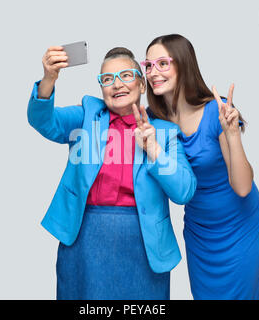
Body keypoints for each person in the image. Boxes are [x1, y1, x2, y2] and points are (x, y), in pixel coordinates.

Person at [27, 45, 197, 300]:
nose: (117, 85)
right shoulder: (86, 115)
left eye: (126, 76)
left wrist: (153, 149)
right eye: (107, 79)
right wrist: (49, 79)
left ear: (142, 85)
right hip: (84, 243)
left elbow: (184, 191)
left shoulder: (165, 132)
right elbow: (44, 121)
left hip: (144, 244)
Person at [142, 34, 259, 300]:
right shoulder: (153, 120)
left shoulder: (216, 112)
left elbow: (243, 187)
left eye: (163, 63)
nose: (153, 72)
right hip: (200, 231)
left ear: (184, 65)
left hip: (239, 226)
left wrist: (232, 134)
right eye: (149, 65)